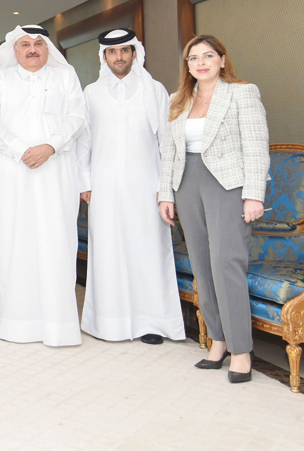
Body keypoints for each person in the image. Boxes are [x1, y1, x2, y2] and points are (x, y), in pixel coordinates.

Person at [159, 34, 268, 383]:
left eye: (208, 56)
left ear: (222, 60)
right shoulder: (178, 99)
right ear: (187, 66)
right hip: (186, 184)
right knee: (203, 267)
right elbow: (169, 153)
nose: (200, 62)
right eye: (193, 58)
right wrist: (166, 194)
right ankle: (218, 341)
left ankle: (241, 350)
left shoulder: (242, 93)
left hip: (227, 186)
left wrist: (254, 195)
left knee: (226, 264)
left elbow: (256, 147)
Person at [0, 25, 86, 347]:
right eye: (25, 44)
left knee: (57, 241)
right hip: (11, 173)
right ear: (15, 50)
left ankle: (58, 325)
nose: (32, 49)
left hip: (55, 171)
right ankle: (18, 324)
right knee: (14, 241)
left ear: (47, 48)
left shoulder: (65, 78)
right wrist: (19, 150)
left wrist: (49, 146)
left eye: (38, 44)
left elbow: (77, 117)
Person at [76, 29, 184, 344]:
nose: (119, 57)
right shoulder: (91, 93)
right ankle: (109, 323)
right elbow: (84, 143)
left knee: (148, 251)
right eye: (112, 52)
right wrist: (85, 183)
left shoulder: (154, 90)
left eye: (125, 51)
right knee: (107, 251)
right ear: (104, 56)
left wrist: (167, 189)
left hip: (147, 184)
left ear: (135, 54)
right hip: (104, 186)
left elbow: (168, 143)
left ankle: (152, 323)